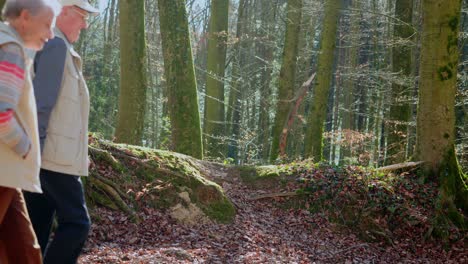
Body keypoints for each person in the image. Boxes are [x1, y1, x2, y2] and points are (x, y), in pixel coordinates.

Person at [23, 0, 98, 263]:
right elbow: (42, 104)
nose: (86, 24)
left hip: (48, 155)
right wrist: (37, 152)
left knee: (37, 227)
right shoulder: (55, 45)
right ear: (63, 12)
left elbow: (66, 115)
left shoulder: (59, 47)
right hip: (51, 157)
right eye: (81, 16)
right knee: (77, 224)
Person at [0, 0, 61, 263]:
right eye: (47, 25)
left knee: (23, 249)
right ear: (25, 17)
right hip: (4, 165)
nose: (50, 34)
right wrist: (25, 146)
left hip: (8, 171)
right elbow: (2, 113)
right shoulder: (10, 48)